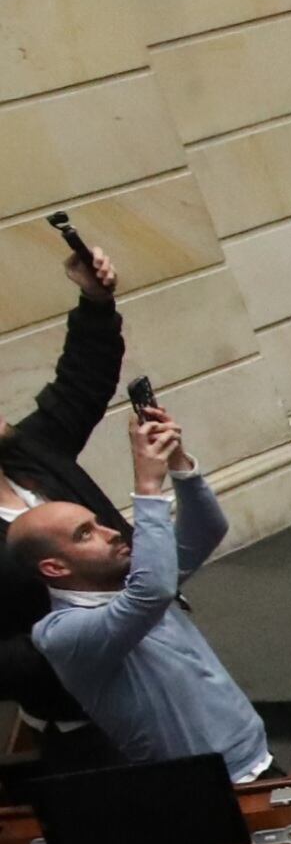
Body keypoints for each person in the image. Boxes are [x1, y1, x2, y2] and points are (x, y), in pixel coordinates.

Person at [10, 395, 264, 778]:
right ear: (54, 566)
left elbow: (207, 530)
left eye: (98, 522)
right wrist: (147, 484)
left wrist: (177, 461)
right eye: (85, 534)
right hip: (200, 788)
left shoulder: (128, 578)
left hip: (252, 750)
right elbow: (151, 594)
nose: (111, 533)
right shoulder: (60, 633)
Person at [0, 233, 123, 694]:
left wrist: (94, 300)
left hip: (159, 648)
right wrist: (77, 643)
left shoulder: (29, 450)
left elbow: (81, 382)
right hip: (82, 698)